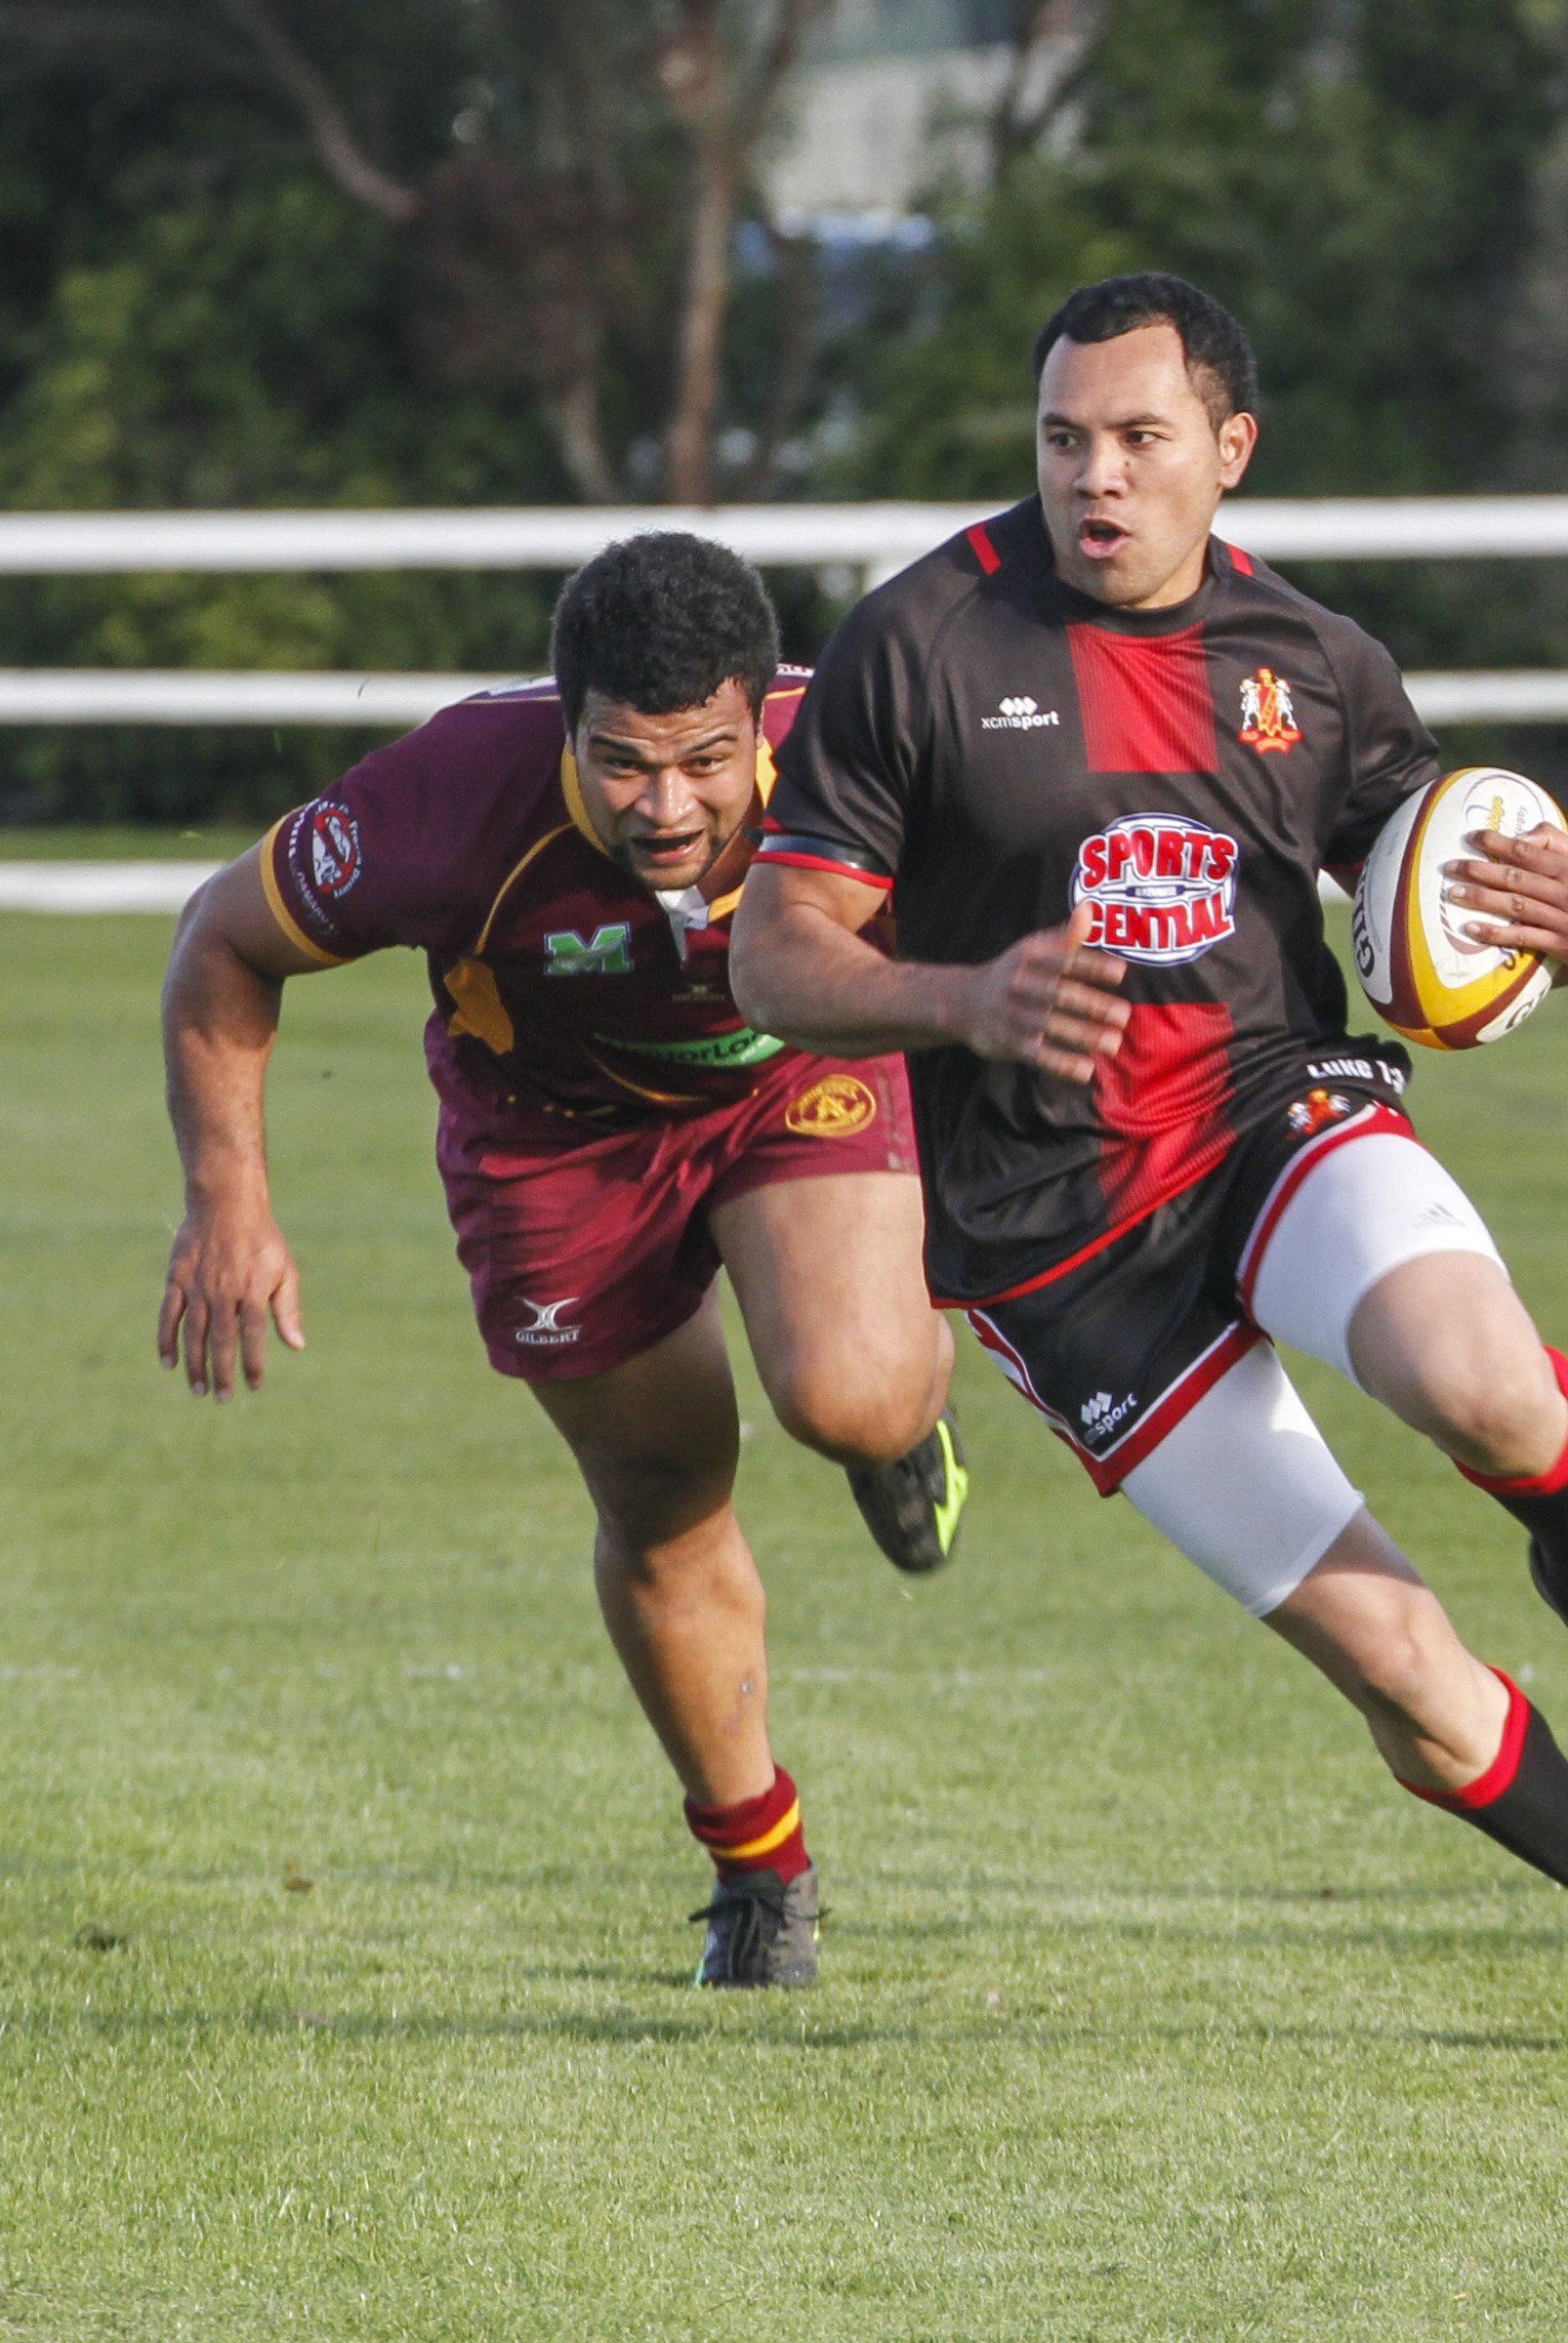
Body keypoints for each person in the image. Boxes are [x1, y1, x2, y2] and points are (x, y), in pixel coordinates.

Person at [732, 272, 1568, 2061]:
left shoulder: (1314, 663)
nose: (1097, 477)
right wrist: (959, 995)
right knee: (1405, 1680)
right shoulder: (917, 645)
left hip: (1270, 1114)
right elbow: (775, 955)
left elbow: (1448, 895)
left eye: (1141, 440)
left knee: (1485, 1391)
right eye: (1065, 439)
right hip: (1054, 1251)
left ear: (1230, 451)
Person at [157, 532, 970, 1988]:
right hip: (550, 1137)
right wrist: (232, 1198)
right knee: (662, 1499)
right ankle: (757, 1869)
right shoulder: (441, 801)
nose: (670, 807)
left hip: (792, 1079)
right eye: (624, 764)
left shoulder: (868, 741)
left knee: (851, 1394)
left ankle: (901, 1430)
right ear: (566, 716)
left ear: (757, 714)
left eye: (708, 762)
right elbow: (222, 941)